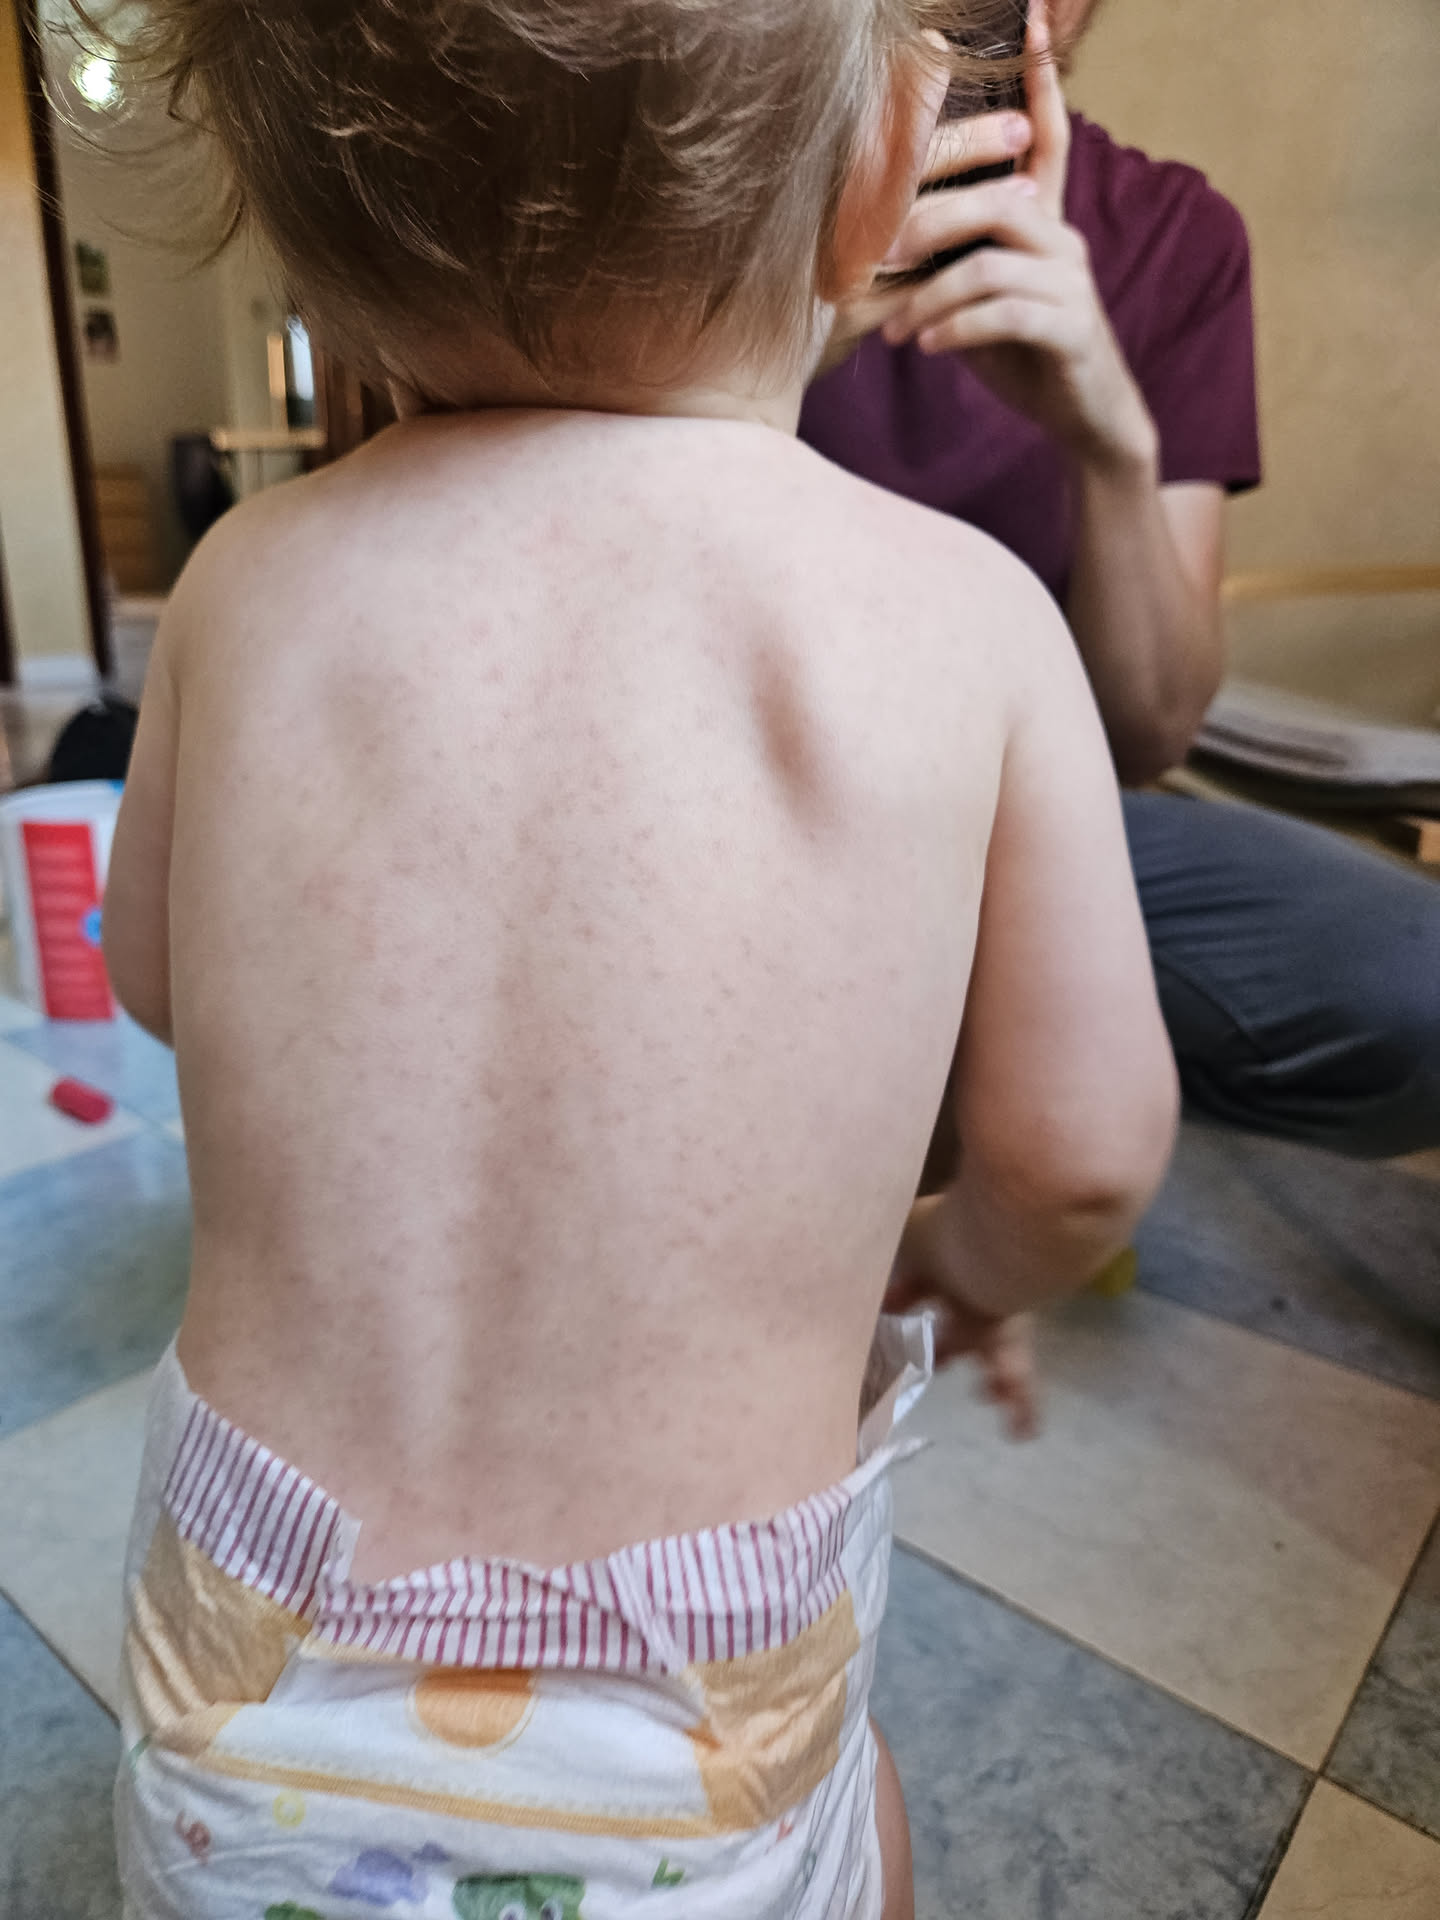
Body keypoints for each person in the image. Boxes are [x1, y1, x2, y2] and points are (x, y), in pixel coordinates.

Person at [101, 2, 1179, 1915]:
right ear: (885, 170)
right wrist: (952, 1264)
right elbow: (1082, 1155)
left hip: (239, 1645)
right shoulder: (965, 615)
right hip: (695, 1704)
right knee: (865, 1812)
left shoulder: (241, 583)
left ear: (297, 217)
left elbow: (158, 977)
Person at [802, 0, 1440, 1164]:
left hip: (1034, 824)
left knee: (1418, 982)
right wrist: (804, 320)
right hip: (753, 790)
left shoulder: (1176, 236)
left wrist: (1110, 445)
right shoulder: (715, 180)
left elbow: (1148, 732)